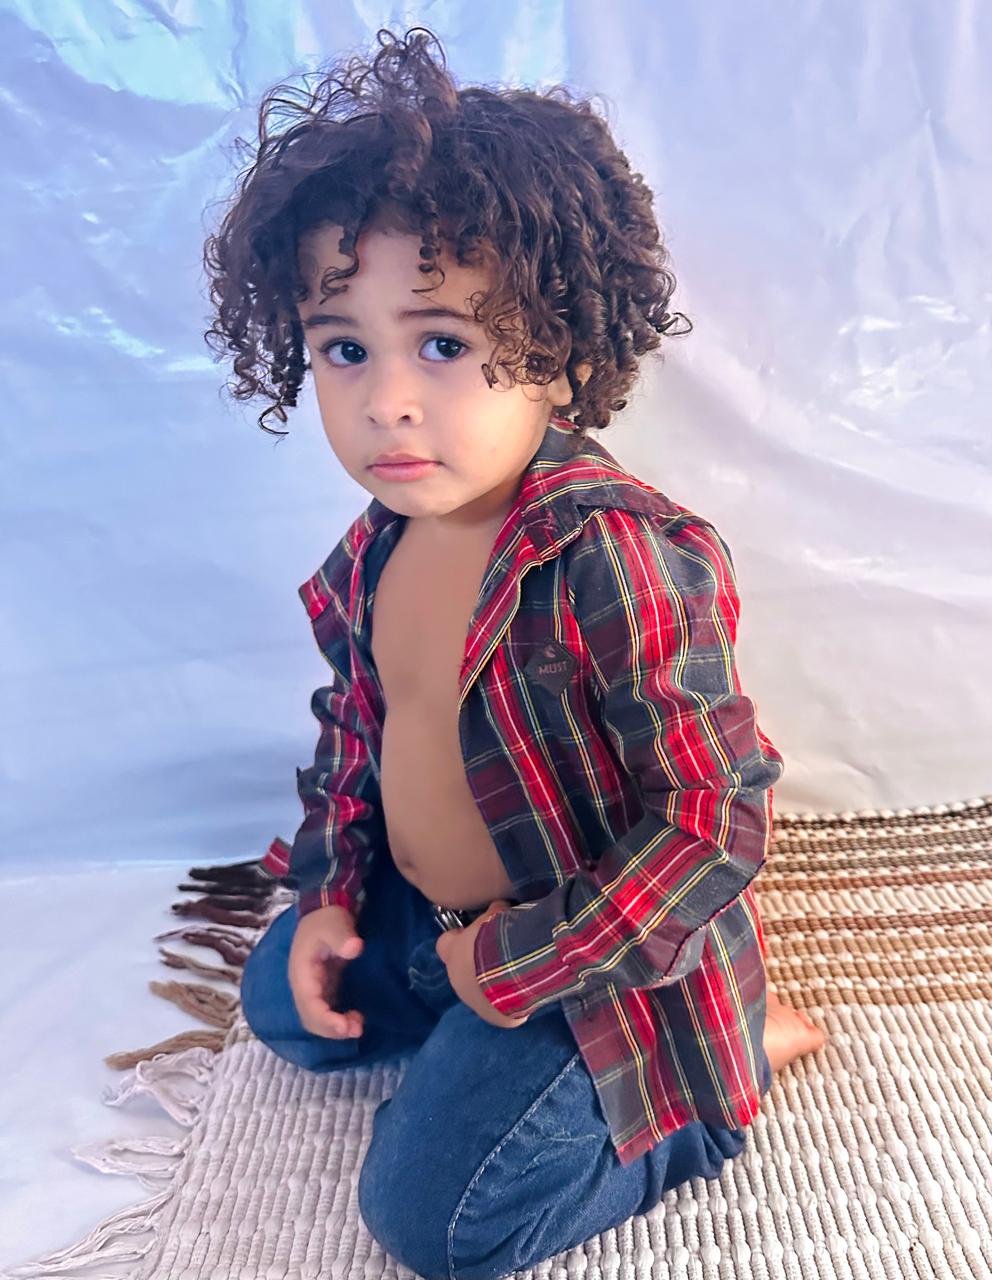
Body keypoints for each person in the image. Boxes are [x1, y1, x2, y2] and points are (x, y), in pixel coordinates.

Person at [202, 25, 827, 1280]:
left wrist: (514, 962)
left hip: (582, 946)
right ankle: (446, 1008)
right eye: (343, 346)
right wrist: (330, 893)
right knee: (282, 1001)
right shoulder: (376, 545)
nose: (385, 399)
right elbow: (356, 732)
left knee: (431, 1219)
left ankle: (711, 1081)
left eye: (441, 343)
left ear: (566, 353)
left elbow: (712, 818)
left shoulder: (615, 555)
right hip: (427, 916)